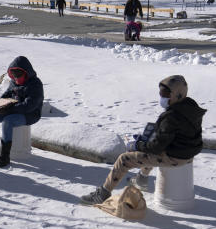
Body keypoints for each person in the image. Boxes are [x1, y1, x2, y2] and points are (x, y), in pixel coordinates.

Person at [80, 75, 206, 205]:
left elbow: (156, 148)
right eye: (161, 92)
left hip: (175, 157)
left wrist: (137, 145)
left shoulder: (172, 117)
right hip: (187, 151)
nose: (162, 97)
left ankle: (103, 194)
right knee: (150, 147)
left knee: (124, 159)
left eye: (166, 93)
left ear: (178, 95)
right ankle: (141, 179)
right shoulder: (190, 107)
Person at [0, 56, 44, 168]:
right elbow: (6, 95)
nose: (16, 78)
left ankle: (5, 156)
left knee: (7, 121)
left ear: (26, 72)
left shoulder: (35, 84)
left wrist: (9, 110)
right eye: (14, 76)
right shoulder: (14, 82)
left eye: (19, 76)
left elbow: (30, 105)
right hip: (12, 110)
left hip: (30, 114)